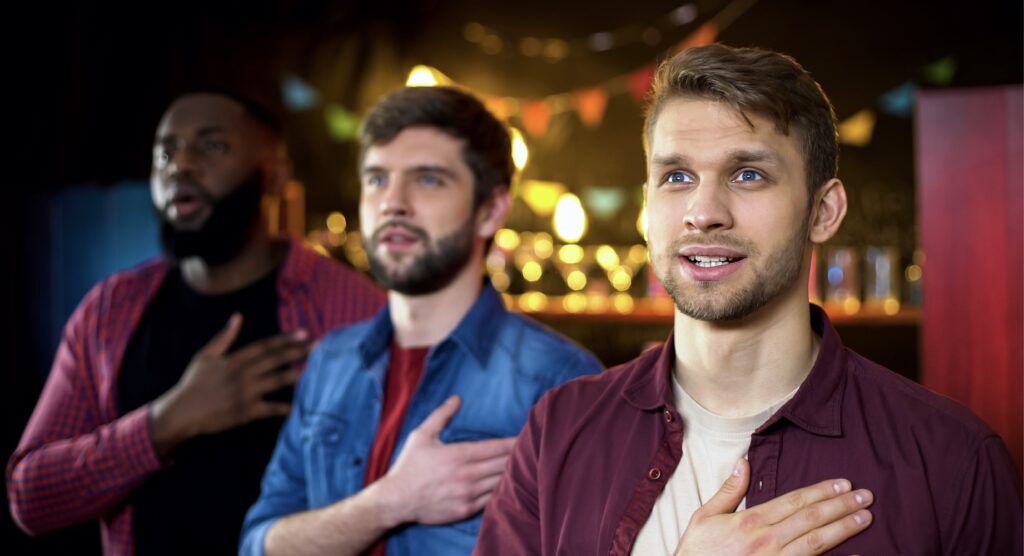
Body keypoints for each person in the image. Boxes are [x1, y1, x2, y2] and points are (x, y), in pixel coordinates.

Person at [476, 44, 1023, 555]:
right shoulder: (559, 430)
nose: (703, 211)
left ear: (824, 211)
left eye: (748, 174)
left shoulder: (952, 459)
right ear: (649, 203)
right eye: (677, 175)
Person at [6, 91, 386, 556]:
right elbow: (30, 497)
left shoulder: (355, 310)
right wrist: (168, 422)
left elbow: (389, 496)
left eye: (211, 147)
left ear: (273, 176)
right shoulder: (108, 312)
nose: (180, 165)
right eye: (165, 151)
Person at [240, 85, 603, 556]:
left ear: (491, 210)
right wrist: (390, 502)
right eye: (376, 179)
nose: (393, 202)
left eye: (428, 179)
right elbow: (258, 543)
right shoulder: (330, 361)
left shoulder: (561, 382)